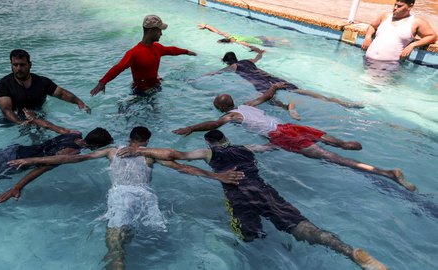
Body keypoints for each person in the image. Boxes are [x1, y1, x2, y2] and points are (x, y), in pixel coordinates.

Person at [116, 130, 388, 270]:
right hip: (265, 190)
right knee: (307, 229)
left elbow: (175, 154)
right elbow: (271, 146)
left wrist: (141, 149)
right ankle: (349, 251)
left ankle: (260, 249)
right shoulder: (247, 148)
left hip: (239, 198)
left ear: (211, 144)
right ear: (228, 139)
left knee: (248, 237)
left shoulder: (208, 153)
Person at [0, 126, 244, 270]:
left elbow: (70, 159)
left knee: (116, 249)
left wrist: (32, 159)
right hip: (147, 199)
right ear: (146, 140)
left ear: (130, 139)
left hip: (121, 196)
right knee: (131, 239)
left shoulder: (110, 151)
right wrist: (218, 177)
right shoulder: (151, 154)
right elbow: (185, 168)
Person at [171, 83, 416, 191]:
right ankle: (347, 143)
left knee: (331, 158)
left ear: (222, 108)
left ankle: (386, 173)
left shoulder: (231, 116)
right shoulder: (247, 105)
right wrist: (274, 87)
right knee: (339, 145)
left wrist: (191, 128)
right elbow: (265, 97)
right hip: (288, 126)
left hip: (282, 135)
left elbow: (214, 124)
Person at [209, 50, 364, 116]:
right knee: (301, 91)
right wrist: (260, 53)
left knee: (269, 99)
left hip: (261, 84)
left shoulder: (232, 66)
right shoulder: (247, 60)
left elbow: (214, 73)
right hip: (273, 78)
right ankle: (343, 103)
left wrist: (198, 77)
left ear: (227, 61)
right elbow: (257, 58)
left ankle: (287, 108)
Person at [90, 15, 197, 96]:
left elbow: (171, 50)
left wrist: (187, 52)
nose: (161, 33)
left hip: (156, 87)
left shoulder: (157, 47)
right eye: (159, 30)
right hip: (140, 92)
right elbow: (119, 68)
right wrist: (102, 82)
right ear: (151, 31)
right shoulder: (134, 53)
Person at [0, 49, 91, 127]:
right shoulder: (3, 84)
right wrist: (21, 123)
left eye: (22, 65)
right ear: (11, 65)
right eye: (15, 65)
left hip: (38, 114)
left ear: (30, 65)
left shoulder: (42, 82)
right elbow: (6, 109)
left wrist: (81, 104)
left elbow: (61, 93)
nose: (19, 68)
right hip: (12, 120)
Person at [362, 0, 437, 61]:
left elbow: (432, 36)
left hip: (388, 66)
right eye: (395, 4)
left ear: (410, 6)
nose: (395, 8)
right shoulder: (386, 16)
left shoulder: (415, 22)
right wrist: (368, 37)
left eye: (399, 6)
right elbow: (372, 26)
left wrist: (412, 45)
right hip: (367, 61)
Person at [198, 23, 289, 47]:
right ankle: (286, 39)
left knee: (281, 45)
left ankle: (289, 44)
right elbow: (218, 31)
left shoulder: (239, 42)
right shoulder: (229, 36)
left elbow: (249, 46)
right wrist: (206, 26)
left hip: (262, 43)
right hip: (259, 37)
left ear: (229, 43)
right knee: (280, 39)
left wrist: (260, 52)